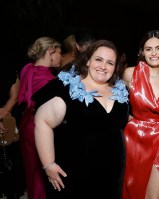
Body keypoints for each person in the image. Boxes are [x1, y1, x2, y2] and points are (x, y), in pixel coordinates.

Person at [33, 39, 129, 198]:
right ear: (88, 60)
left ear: (115, 67)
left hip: (112, 176)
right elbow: (42, 120)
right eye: (98, 59)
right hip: (76, 175)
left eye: (110, 62)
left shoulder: (122, 91)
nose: (103, 66)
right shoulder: (71, 89)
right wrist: (48, 164)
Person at [122, 30, 159, 199]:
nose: (154, 53)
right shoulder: (130, 74)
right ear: (142, 52)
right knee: (133, 190)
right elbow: (116, 102)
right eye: (148, 49)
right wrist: (127, 119)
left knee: (153, 196)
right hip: (135, 138)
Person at [18, 36, 62, 199]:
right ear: (50, 51)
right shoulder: (47, 79)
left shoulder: (27, 69)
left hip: (27, 124)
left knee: (33, 172)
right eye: (59, 52)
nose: (61, 57)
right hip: (39, 127)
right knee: (42, 174)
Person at [0, 53, 25, 199]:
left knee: (10, 159)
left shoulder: (7, 62)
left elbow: (15, 95)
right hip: (7, 114)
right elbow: (14, 95)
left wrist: (3, 114)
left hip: (8, 119)